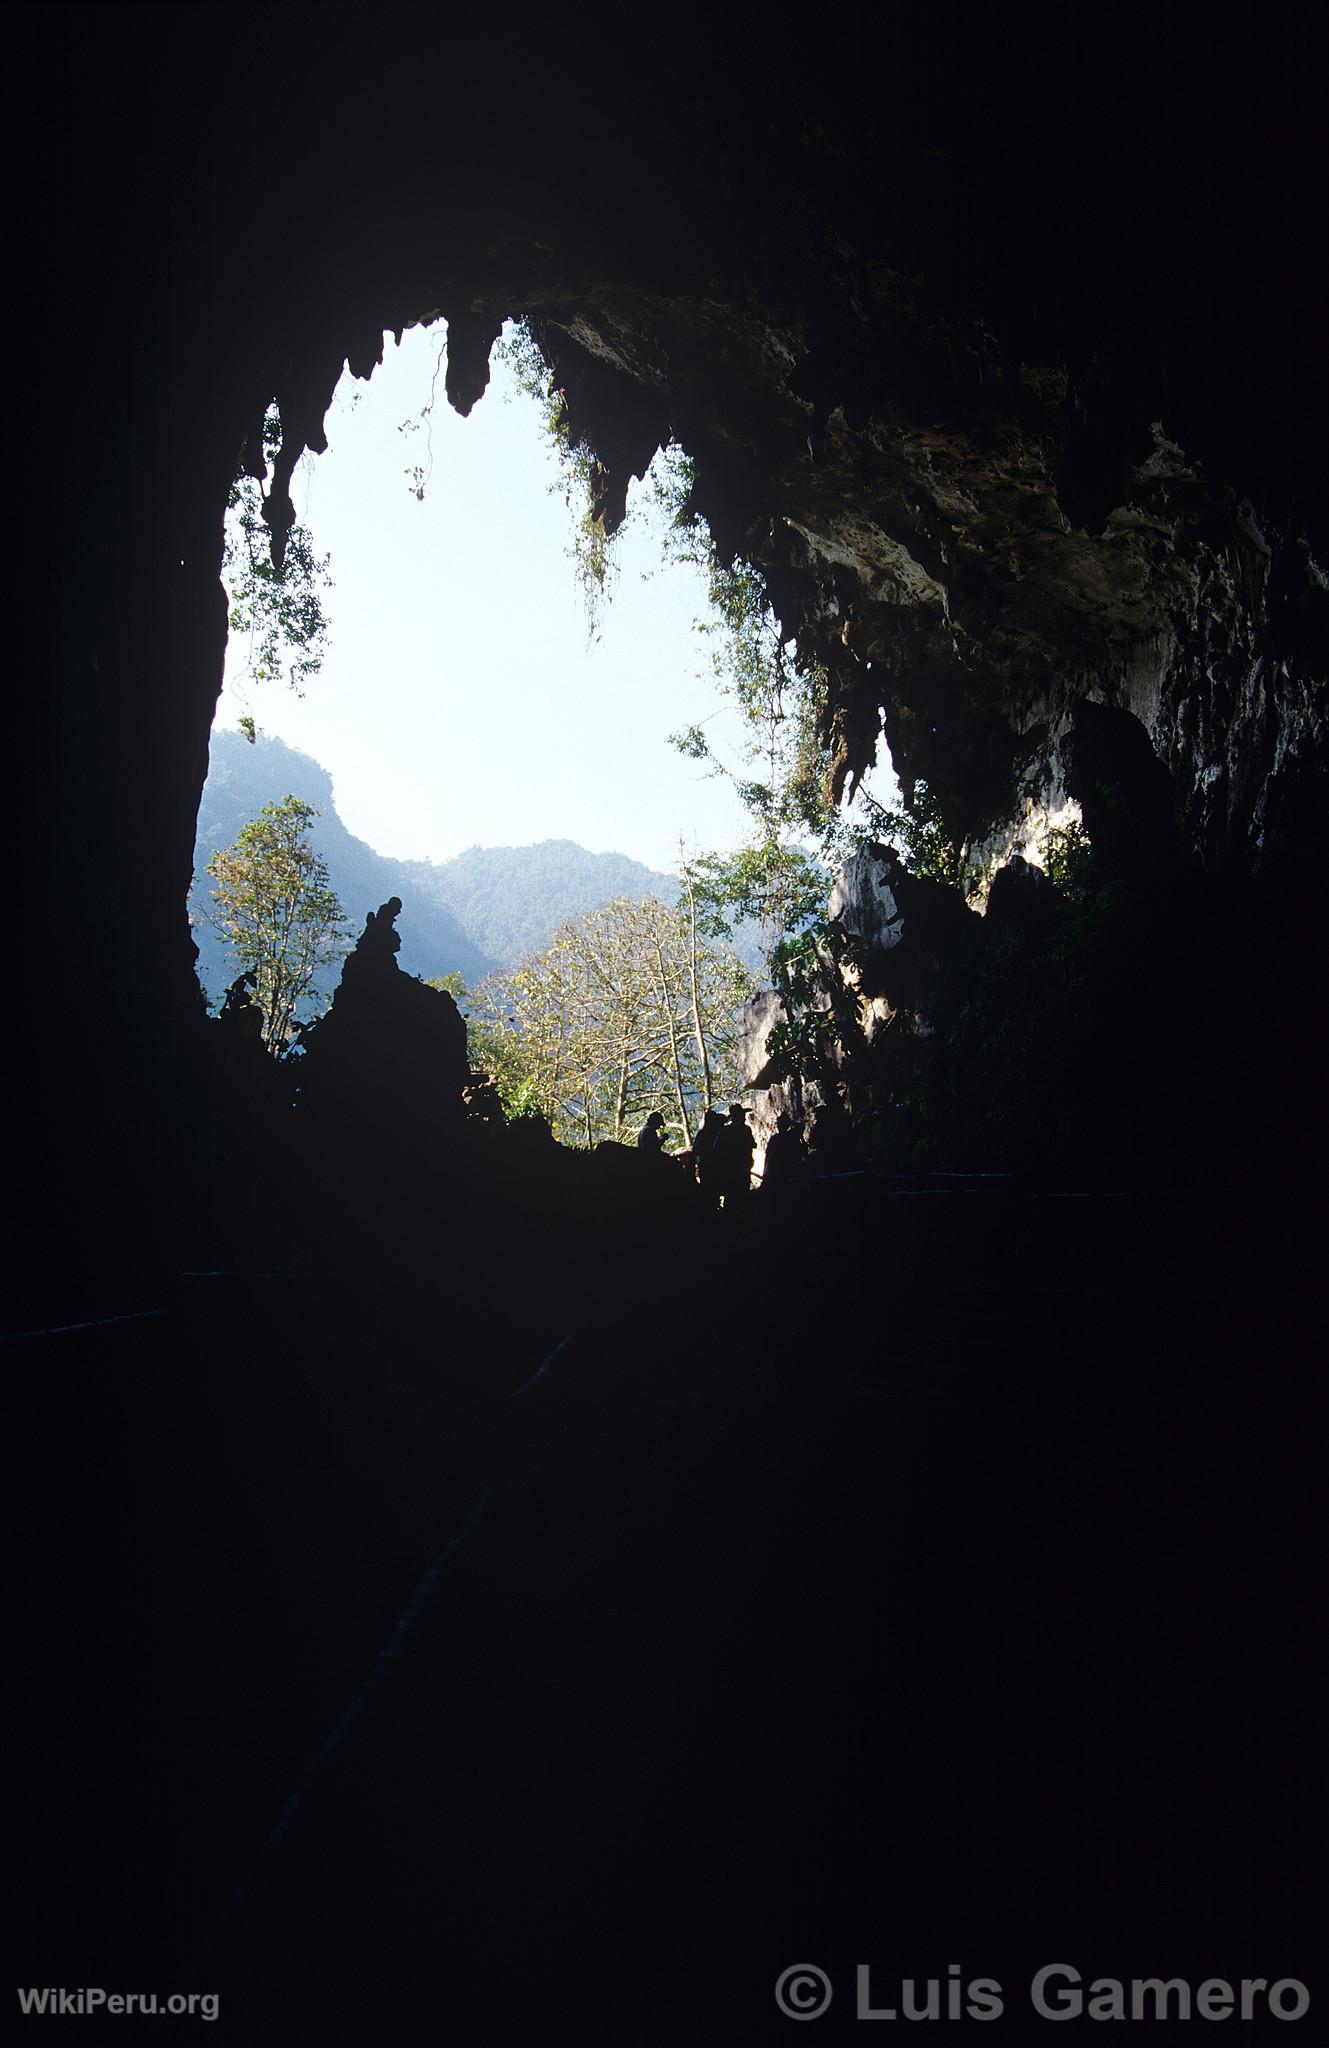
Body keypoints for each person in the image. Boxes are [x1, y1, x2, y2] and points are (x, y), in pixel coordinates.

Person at [712, 1103, 755, 1209]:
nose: (744, 1118)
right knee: (738, 1197)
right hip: (737, 1170)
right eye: (742, 1115)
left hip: (734, 1171)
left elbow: (716, 1149)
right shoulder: (745, 1130)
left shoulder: (726, 1131)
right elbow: (752, 1145)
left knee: (733, 1198)